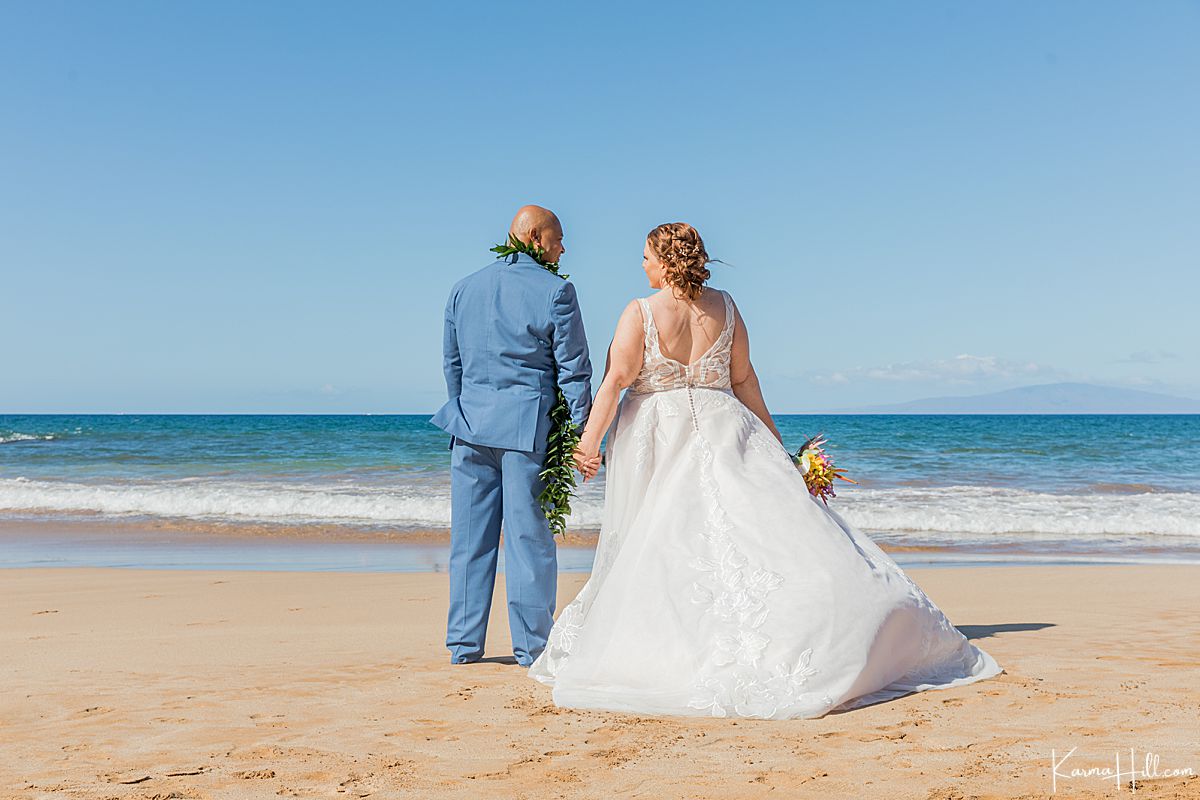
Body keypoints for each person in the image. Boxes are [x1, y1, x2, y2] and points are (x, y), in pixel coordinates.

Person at [528, 222, 1000, 718]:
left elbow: (615, 381)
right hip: (725, 426)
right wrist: (778, 449)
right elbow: (745, 381)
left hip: (658, 435)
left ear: (665, 262)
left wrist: (589, 445)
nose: (642, 265)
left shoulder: (641, 312)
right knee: (748, 534)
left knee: (667, 539)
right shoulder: (726, 306)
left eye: (646, 256)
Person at [432, 205, 592, 667]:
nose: (563, 249)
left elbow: (453, 364)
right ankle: (532, 649)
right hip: (527, 429)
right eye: (559, 239)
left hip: (468, 427)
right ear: (535, 238)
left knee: (469, 541)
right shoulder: (556, 290)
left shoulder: (463, 288)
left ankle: (463, 647)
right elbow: (574, 372)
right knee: (528, 540)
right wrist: (580, 434)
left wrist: (465, 409)